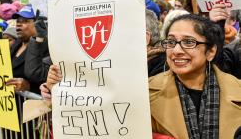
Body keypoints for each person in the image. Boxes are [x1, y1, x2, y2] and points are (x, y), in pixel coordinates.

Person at [43, 14, 241, 139]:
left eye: (189, 42)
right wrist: (61, 91)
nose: (176, 51)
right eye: (171, 42)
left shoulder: (237, 91)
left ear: (211, 52)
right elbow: (98, 115)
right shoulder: (143, 91)